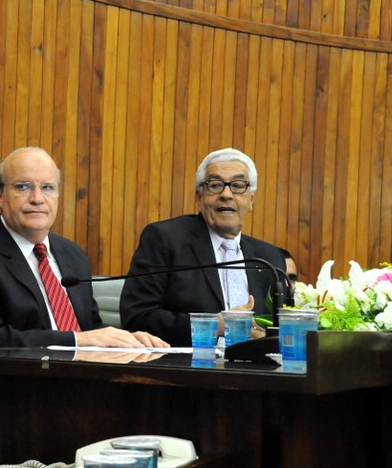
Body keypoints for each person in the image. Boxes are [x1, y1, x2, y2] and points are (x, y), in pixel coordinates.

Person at [0, 146, 169, 349]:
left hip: (85, 374)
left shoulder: (73, 255)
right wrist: (75, 340)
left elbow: (89, 329)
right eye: (23, 187)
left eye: (48, 188)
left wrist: (127, 339)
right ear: (0, 195)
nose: (37, 198)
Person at [120, 147, 286, 345]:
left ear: (251, 200)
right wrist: (212, 326)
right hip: (189, 361)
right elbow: (137, 317)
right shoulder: (165, 239)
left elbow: (279, 327)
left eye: (238, 186)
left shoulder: (269, 257)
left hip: (254, 362)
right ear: (199, 199)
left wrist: (265, 337)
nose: (226, 194)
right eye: (215, 186)